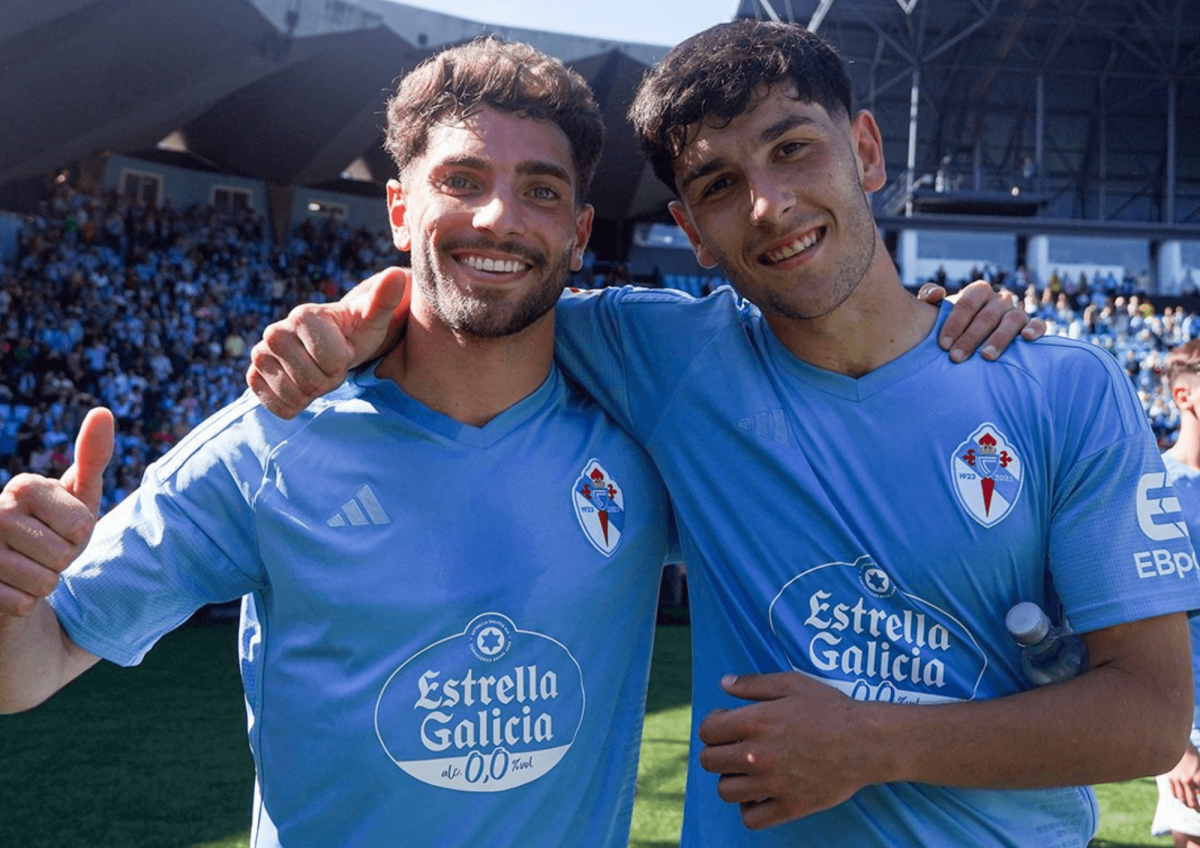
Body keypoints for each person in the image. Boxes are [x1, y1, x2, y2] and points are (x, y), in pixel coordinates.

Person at [246, 21, 1200, 848]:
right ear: (691, 231)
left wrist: (875, 741)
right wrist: (363, 312)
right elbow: (482, 293)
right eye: (718, 183)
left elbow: (1152, 718)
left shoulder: (1061, 390)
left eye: (793, 150)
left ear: (866, 149)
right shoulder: (664, 355)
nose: (768, 205)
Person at [0, 38, 681, 847]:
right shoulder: (268, 446)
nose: (500, 216)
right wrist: (10, 594)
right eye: (462, 180)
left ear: (579, 231)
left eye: (540, 190)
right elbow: (28, 669)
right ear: (399, 210)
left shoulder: (648, 446)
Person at [1153, 340, 1200, 848]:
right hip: (1192, 720)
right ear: (1184, 395)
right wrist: (1178, 746)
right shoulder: (1156, 486)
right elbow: (1142, 621)